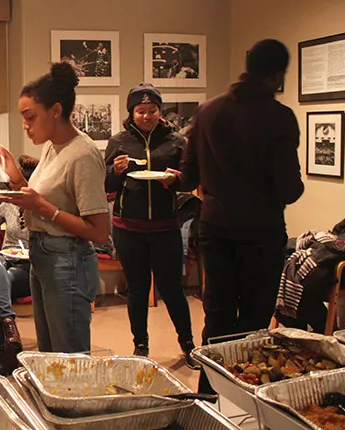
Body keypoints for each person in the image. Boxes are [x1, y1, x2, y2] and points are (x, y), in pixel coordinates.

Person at [171, 39, 304, 393]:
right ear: (277, 75)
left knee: (217, 315)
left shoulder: (209, 110)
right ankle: (244, 399)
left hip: (214, 226)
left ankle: (208, 396)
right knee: (254, 322)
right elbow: (290, 189)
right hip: (261, 231)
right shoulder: (279, 117)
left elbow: (189, 176)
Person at [0, 62, 110, 353]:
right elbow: (41, 197)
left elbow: (99, 232)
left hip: (68, 260)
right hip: (43, 256)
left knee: (69, 358)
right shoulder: (51, 146)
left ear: (55, 111)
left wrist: (43, 207)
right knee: (49, 355)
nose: (25, 125)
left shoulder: (83, 155)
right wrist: (16, 178)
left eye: (29, 117)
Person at [104, 83, 199, 369]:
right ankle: (140, 345)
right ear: (131, 112)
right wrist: (115, 171)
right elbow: (106, 184)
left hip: (165, 227)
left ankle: (188, 344)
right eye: (140, 111)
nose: (146, 116)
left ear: (160, 112)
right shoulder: (118, 142)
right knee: (137, 288)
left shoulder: (176, 141)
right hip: (127, 227)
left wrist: (176, 181)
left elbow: (191, 180)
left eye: (152, 110)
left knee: (172, 289)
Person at [0, 155, 39, 376]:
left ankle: (4, 348)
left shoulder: (39, 204)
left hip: (30, 268)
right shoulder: (8, 204)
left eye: (19, 185)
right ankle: (9, 327)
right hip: (6, 260)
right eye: (13, 185)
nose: (14, 190)